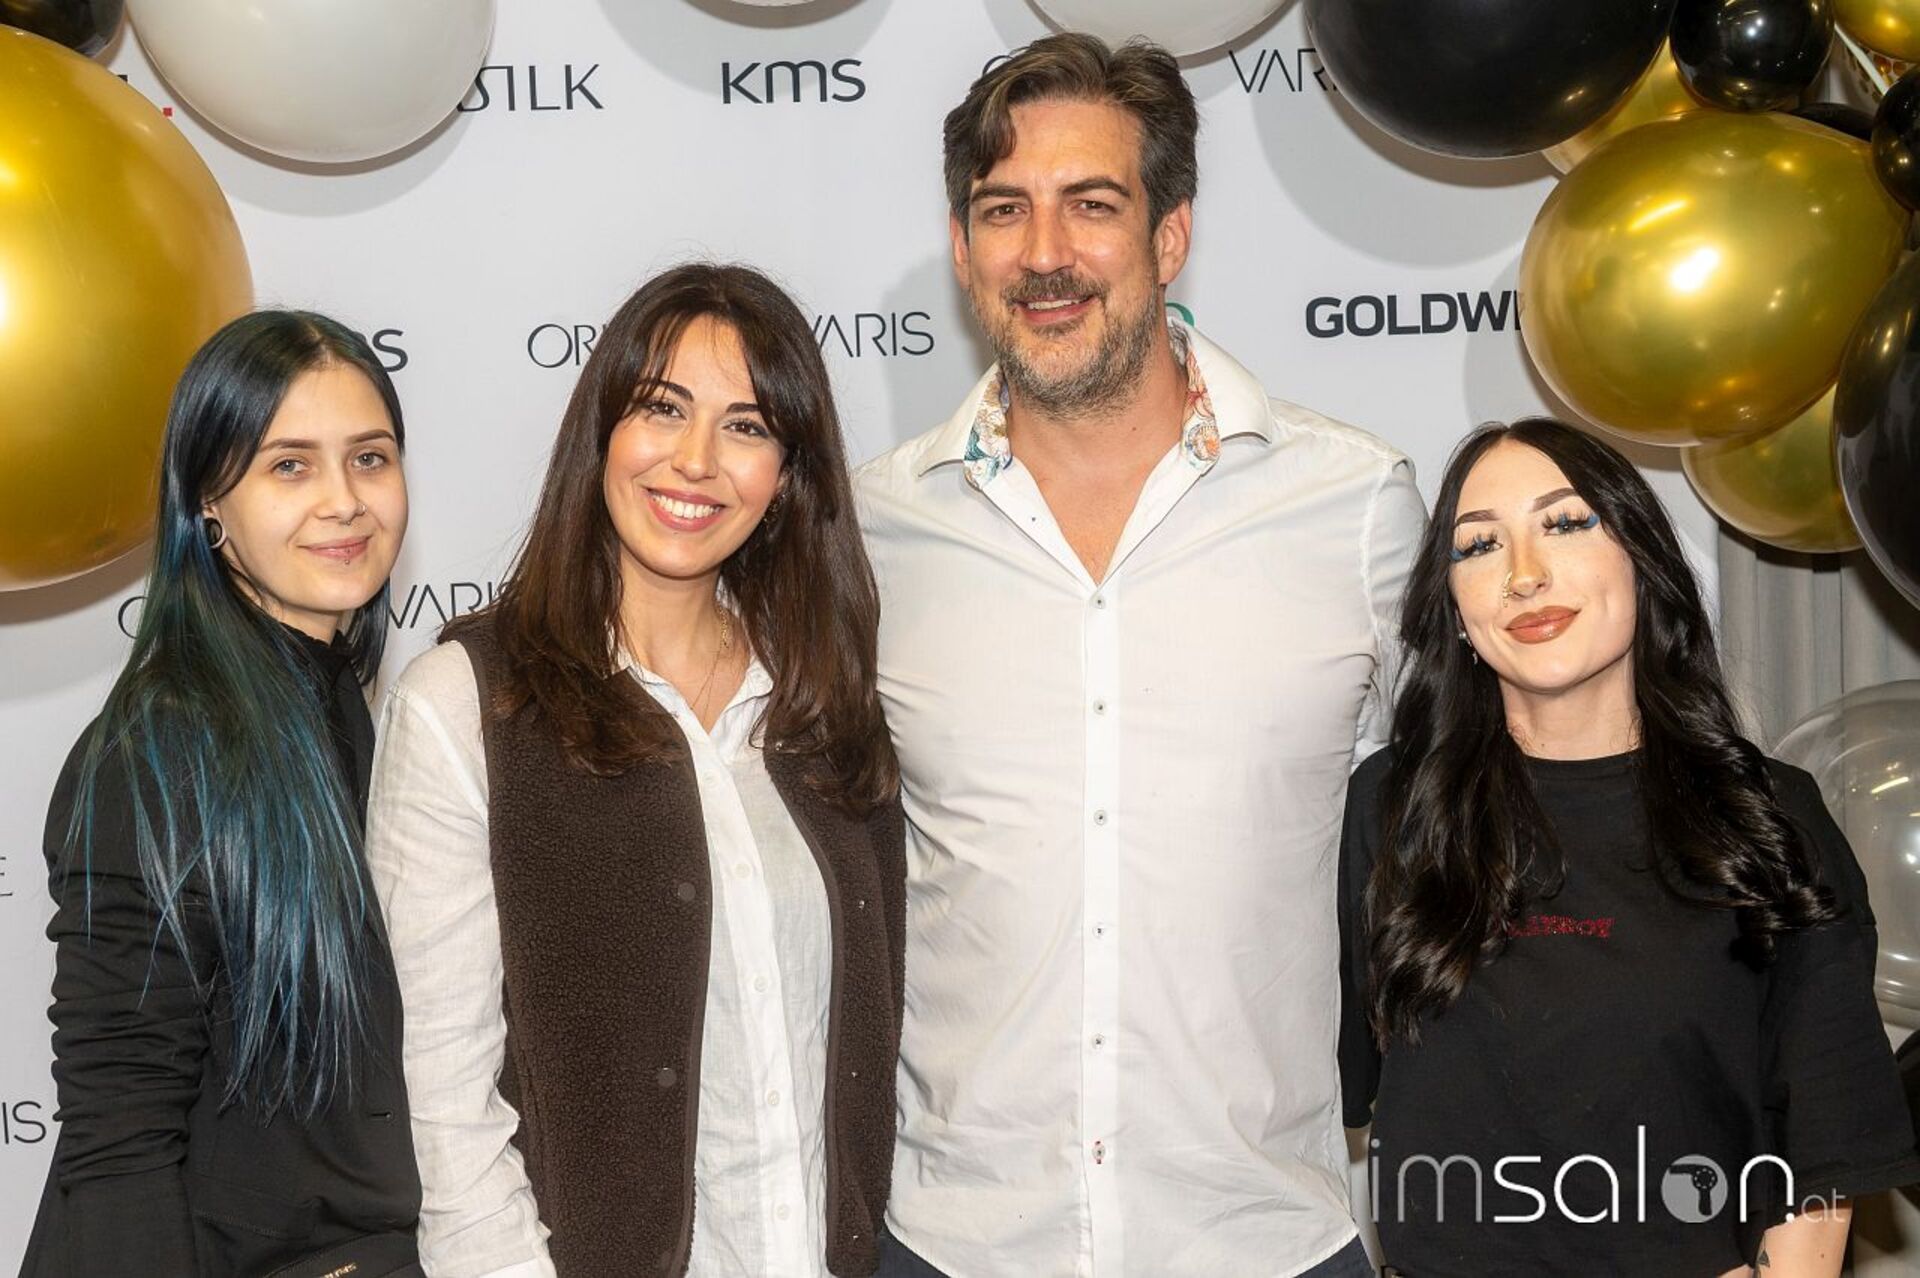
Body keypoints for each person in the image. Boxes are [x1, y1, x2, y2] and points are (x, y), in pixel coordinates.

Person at [853, 33, 1425, 1278]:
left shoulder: (1355, 508)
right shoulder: (872, 532)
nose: (1044, 253)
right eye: (1004, 209)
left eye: (1092, 205)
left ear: (1170, 237)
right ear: (961, 248)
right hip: (957, 1243)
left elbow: (1457, 825)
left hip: (1267, 1239)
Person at [365, 262, 904, 1278]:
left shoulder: (821, 702)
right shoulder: (464, 706)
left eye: (746, 426)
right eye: (663, 408)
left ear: (787, 475)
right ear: (603, 429)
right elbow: (447, 1106)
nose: (696, 460)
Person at [1338, 417, 1920, 1277]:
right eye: (1480, 544)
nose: (1524, 574)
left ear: (1643, 562)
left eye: (1566, 523)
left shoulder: (1768, 816)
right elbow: (1324, 1088)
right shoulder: (1391, 807)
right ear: (1454, 609)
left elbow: (1825, 1134)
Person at [23, 311, 421, 1277]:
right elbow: (119, 1145)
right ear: (210, 504)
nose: (344, 502)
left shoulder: (345, 707)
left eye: (370, 458)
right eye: (290, 466)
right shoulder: (158, 753)